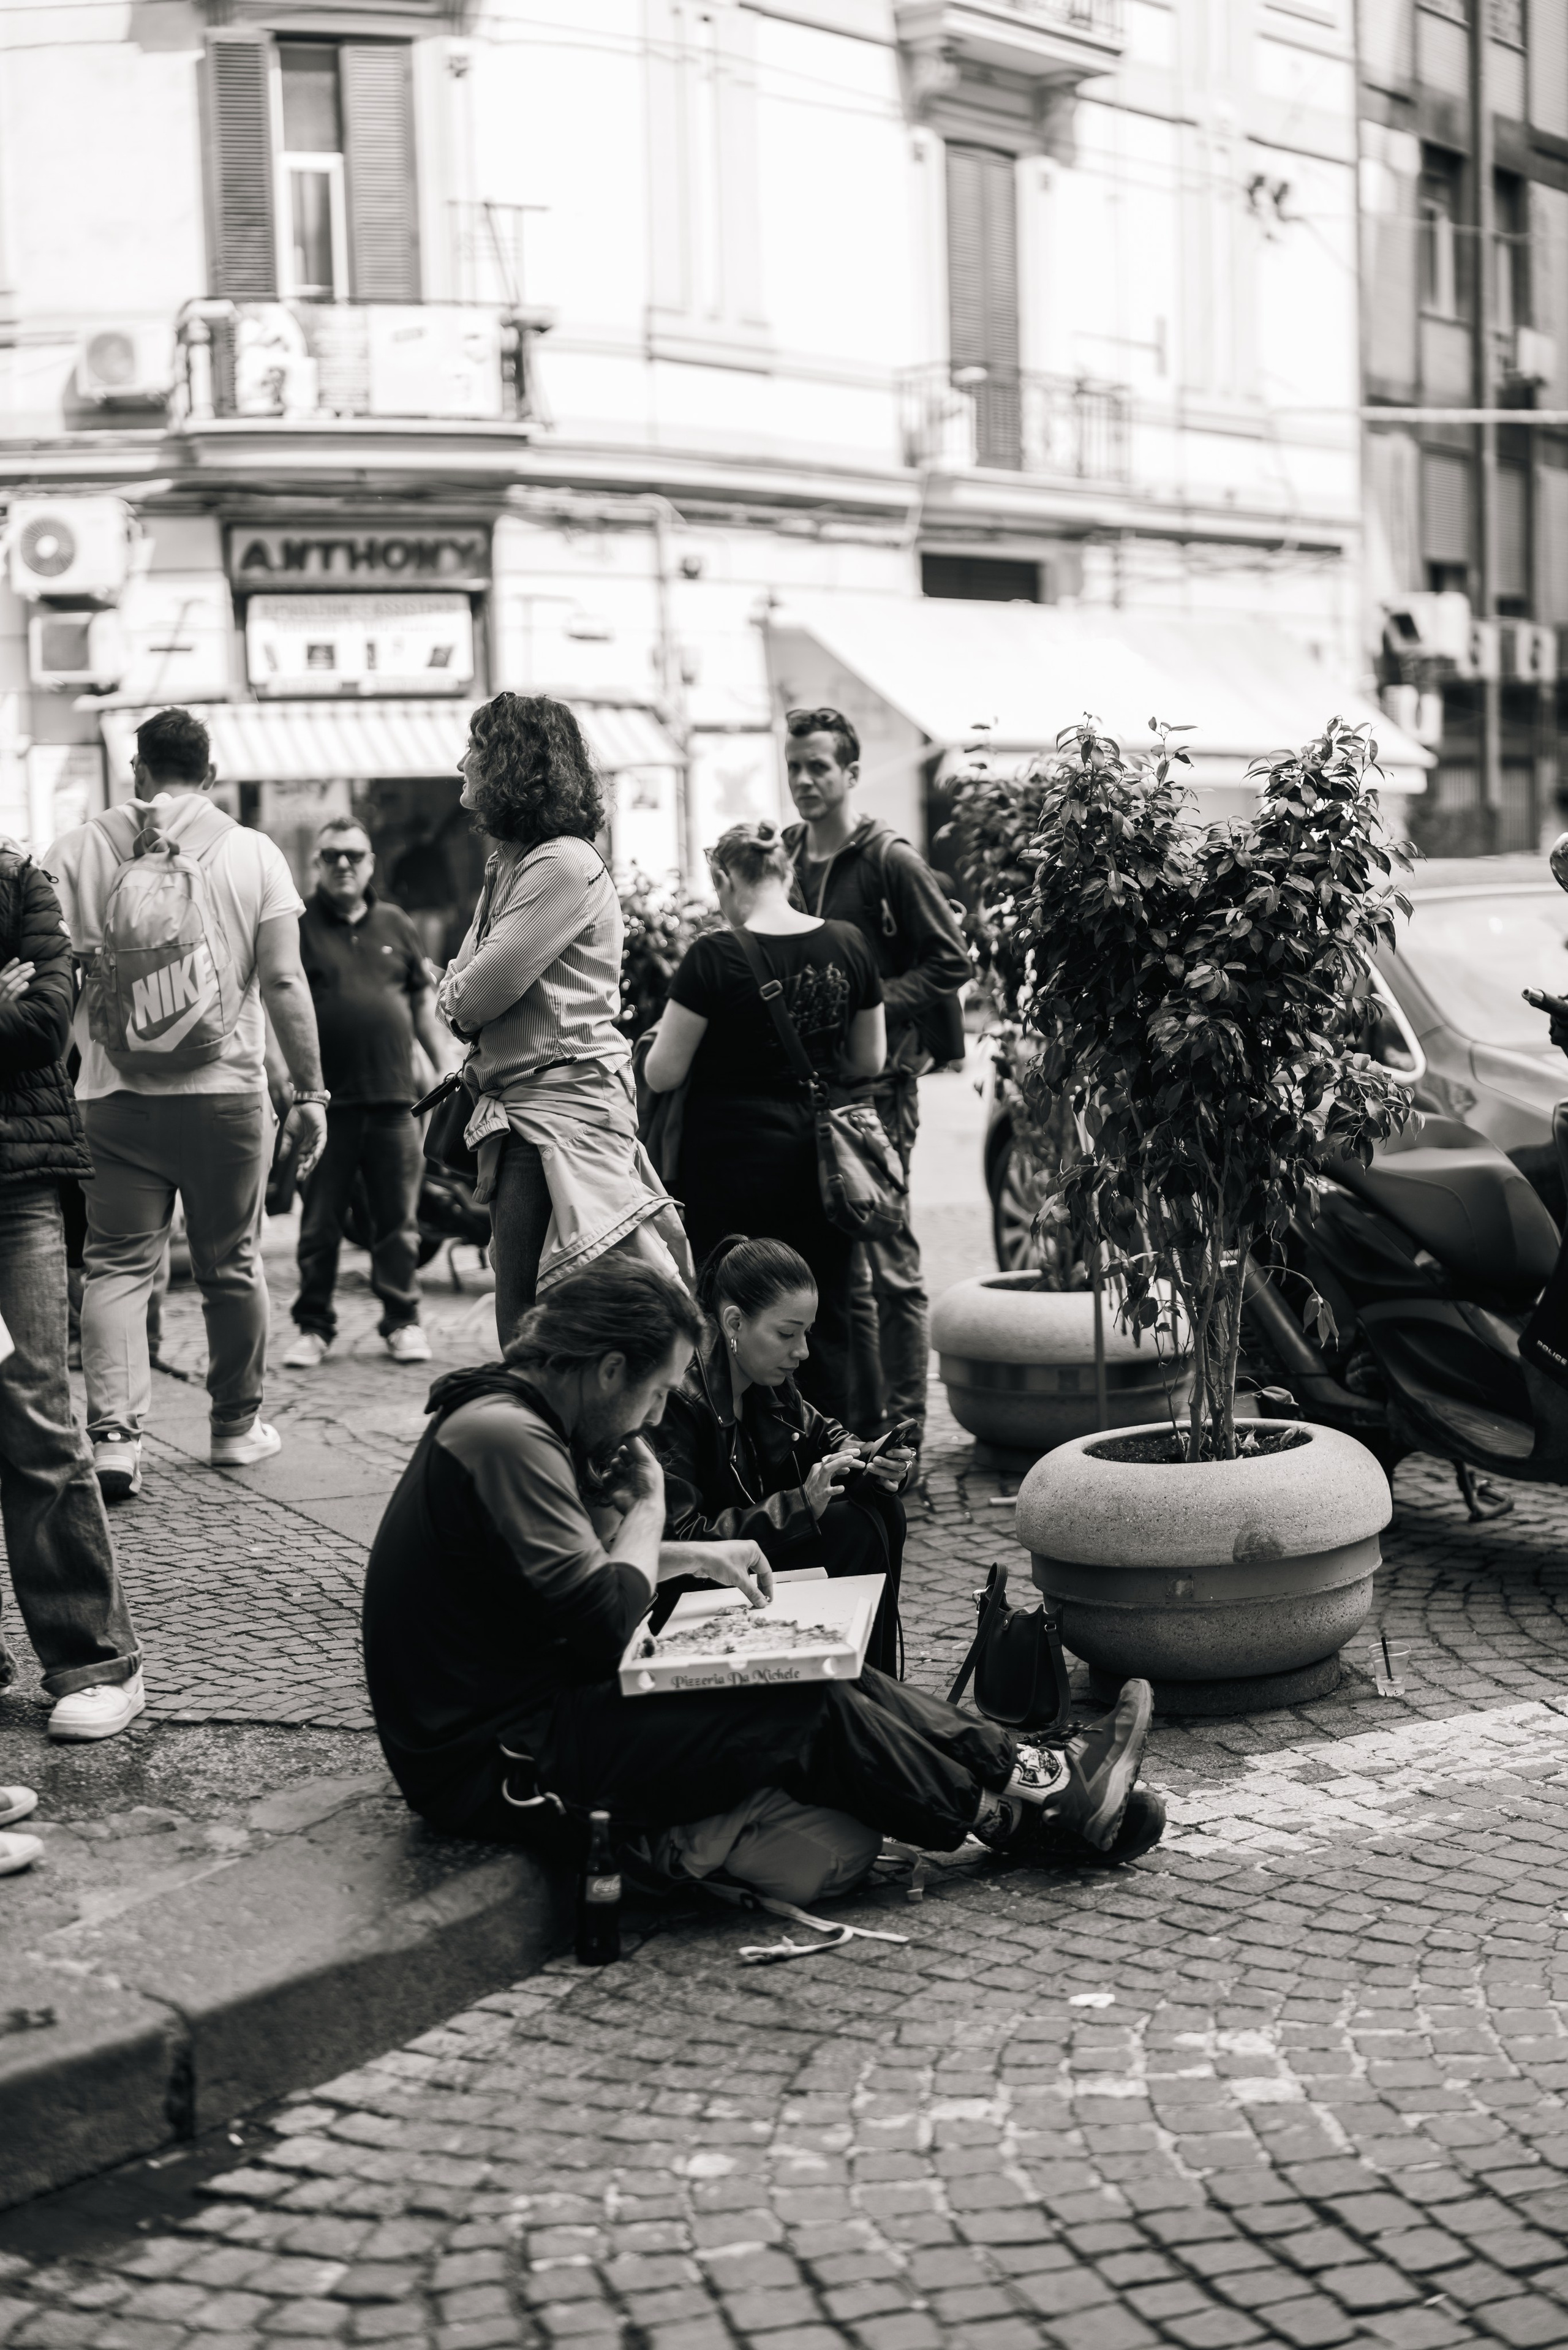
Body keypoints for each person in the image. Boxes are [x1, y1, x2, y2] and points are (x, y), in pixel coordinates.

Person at [362, 1257, 1164, 1886]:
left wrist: (692, 1554)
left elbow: (576, 1581)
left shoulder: (525, 1419)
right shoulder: (506, 1435)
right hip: (494, 1761)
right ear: (609, 1369)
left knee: (818, 1665)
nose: (652, 1417)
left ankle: (1041, 1780)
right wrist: (650, 1508)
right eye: (653, 1393)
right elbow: (605, 1617)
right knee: (797, 1709)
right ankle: (1025, 1815)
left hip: (546, 1706)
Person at [47, 706, 329, 1499]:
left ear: (135, 770)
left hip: (112, 1098)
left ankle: (114, 1441)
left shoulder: (75, 851)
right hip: (226, 1098)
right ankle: (235, 1428)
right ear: (211, 774)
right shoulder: (252, 852)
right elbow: (282, 982)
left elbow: (48, 982)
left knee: (117, 1268)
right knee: (231, 1266)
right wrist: (308, 1090)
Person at [436, 693, 688, 1347]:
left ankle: (600, 1447)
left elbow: (470, 997)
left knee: (541, 1325)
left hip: (558, 1118)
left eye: (478, 748)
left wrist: (461, 993)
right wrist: (462, 993)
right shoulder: (508, 864)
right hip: (529, 1113)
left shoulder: (560, 864)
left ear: (513, 764)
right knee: (535, 1318)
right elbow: (466, 991)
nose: (463, 761)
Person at [643, 819, 883, 1426]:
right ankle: (833, 1453)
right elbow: (868, 1061)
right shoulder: (850, 944)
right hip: (818, 1165)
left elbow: (662, 1074)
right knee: (820, 1317)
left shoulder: (714, 956)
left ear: (726, 878)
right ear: (786, 871)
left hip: (729, 1167)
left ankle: (739, 1454)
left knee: (730, 1312)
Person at [783, 707, 971, 1450]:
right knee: (838, 1271)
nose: (802, 780)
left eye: (818, 767)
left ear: (851, 774)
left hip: (882, 1092)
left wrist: (869, 1000)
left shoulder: (889, 859)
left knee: (890, 1269)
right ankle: (852, 1433)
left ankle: (903, 1440)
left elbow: (950, 959)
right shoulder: (790, 857)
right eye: (793, 765)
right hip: (812, 1088)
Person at [0, 842, 143, 1739]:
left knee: (37, 1415)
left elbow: (47, 1023)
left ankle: (93, 1658)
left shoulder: (21, 882)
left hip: (15, 1191)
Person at [654, 1234, 909, 1676]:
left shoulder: (766, 1374)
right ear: (734, 1323)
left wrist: (871, 1457)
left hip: (757, 1561)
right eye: (787, 1333)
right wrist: (798, 1505)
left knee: (881, 1505)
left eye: (806, 1333)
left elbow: (824, 1434)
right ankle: (857, 1685)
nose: (803, 1351)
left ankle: (873, 1680)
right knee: (853, 1527)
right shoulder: (681, 1398)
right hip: (696, 1584)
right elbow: (682, 1542)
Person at [283, 816, 453, 1371]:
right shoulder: (299, 926)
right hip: (325, 1105)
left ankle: (402, 1321)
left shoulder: (396, 923)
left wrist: (446, 1067)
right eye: (332, 855)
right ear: (318, 863)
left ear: (371, 862)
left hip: (393, 1102)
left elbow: (422, 1006)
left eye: (354, 855)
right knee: (320, 1223)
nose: (343, 865)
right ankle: (313, 1326)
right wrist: (285, 1083)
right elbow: (279, 1004)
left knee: (398, 1222)